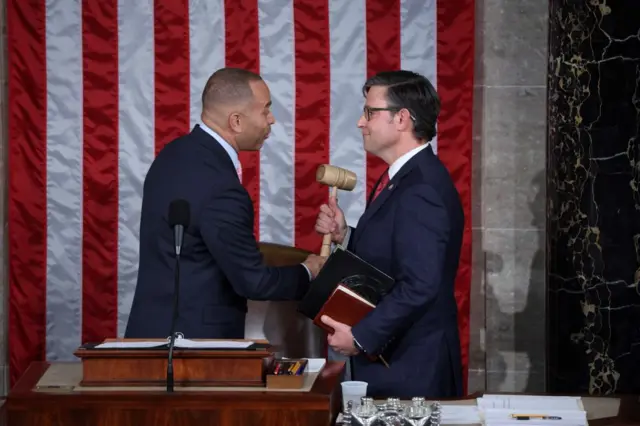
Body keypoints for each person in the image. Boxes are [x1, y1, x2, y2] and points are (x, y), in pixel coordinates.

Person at [126, 68, 325, 339]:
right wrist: (309, 270)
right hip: (194, 351)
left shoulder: (173, 154)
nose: (272, 119)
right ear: (236, 121)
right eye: (265, 110)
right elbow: (253, 282)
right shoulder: (220, 187)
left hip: (150, 333)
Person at [315, 70, 464, 398]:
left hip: (411, 369)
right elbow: (395, 254)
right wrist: (346, 236)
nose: (360, 122)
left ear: (402, 119)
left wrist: (359, 337)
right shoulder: (403, 178)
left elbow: (421, 284)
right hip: (396, 365)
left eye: (370, 112)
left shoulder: (421, 187)